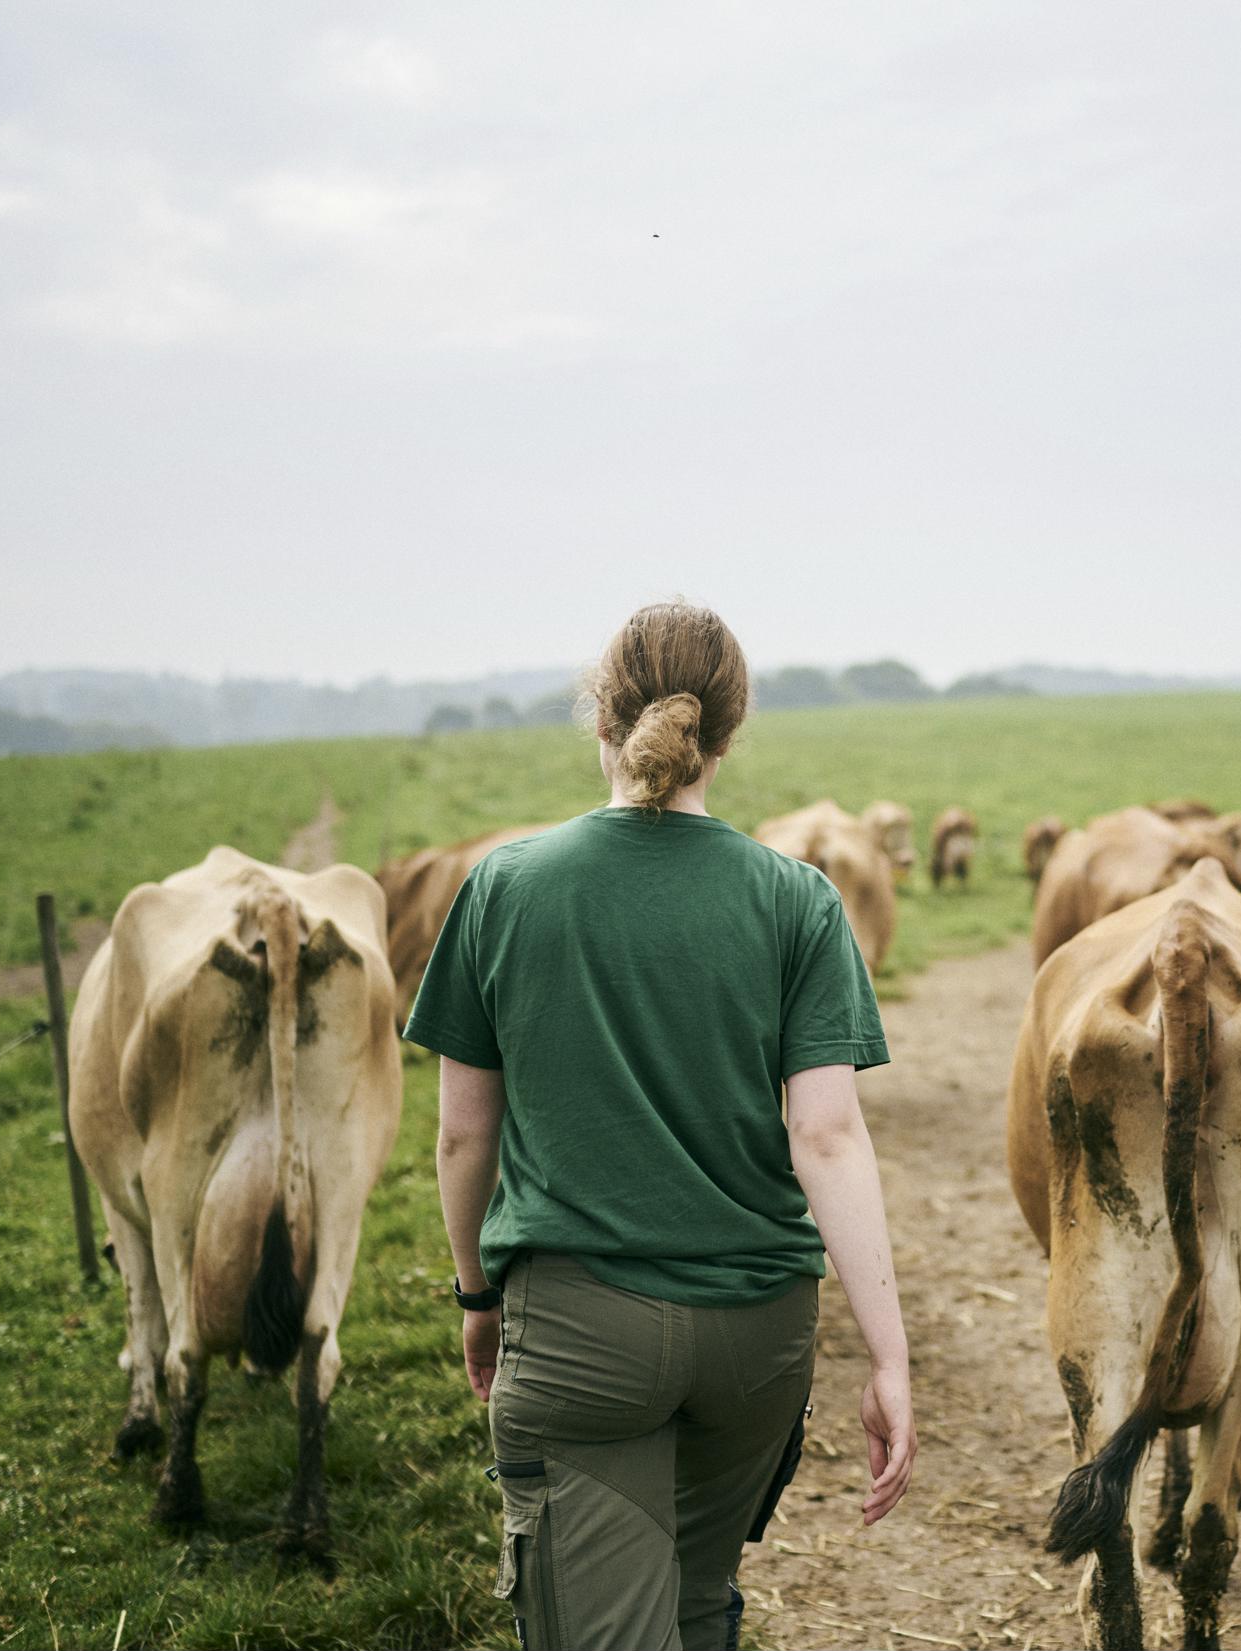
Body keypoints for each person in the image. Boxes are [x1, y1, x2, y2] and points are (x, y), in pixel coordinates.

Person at [414, 601, 918, 1651]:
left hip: (580, 1332)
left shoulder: (503, 887)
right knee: (697, 1601)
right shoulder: (802, 901)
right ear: (726, 737)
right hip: (760, 1342)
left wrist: (476, 1295)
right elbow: (827, 1138)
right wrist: (887, 1356)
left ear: (600, 717)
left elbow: (465, 1135)